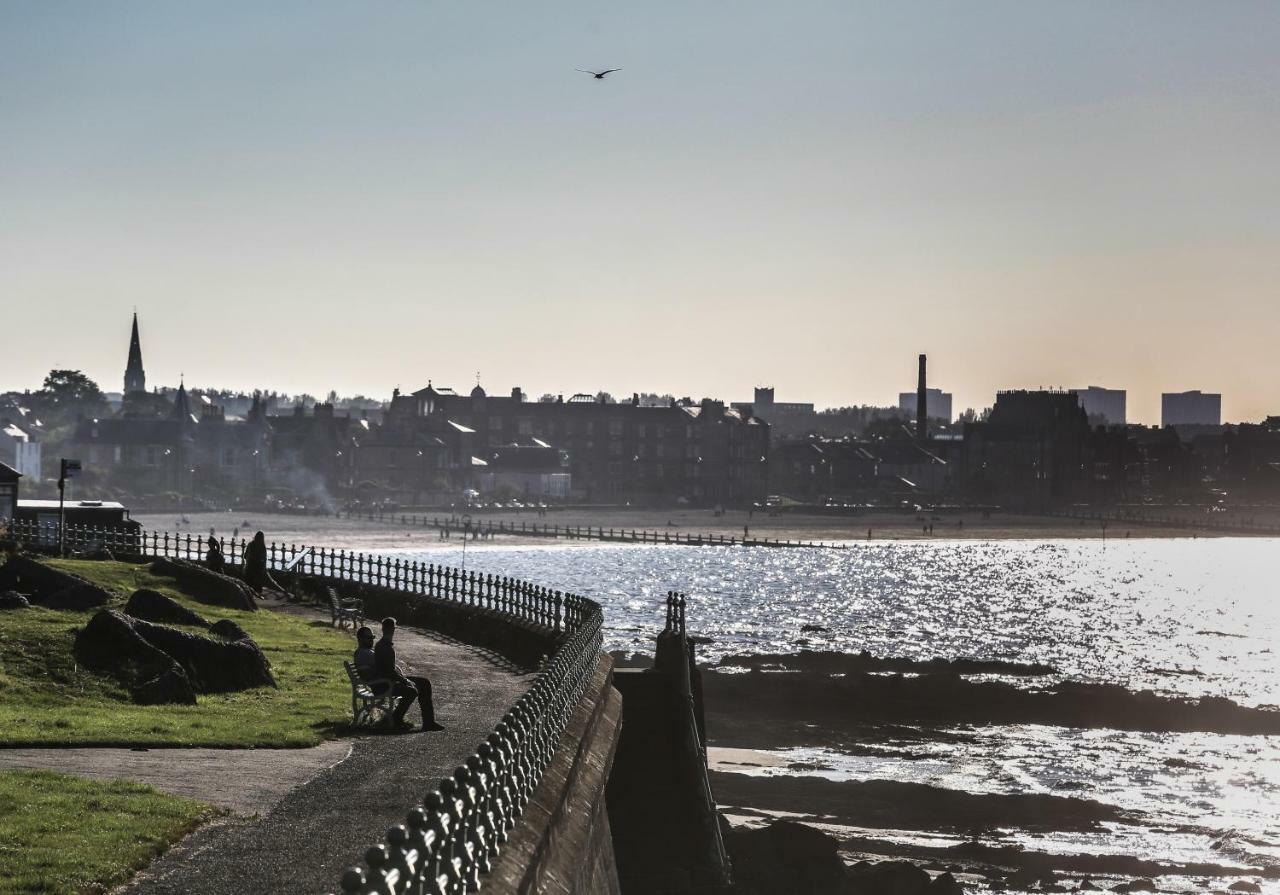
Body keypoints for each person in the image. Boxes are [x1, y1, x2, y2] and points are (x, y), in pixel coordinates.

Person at [374, 617, 443, 732]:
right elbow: (389, 672)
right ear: (393, 630)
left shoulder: (382, 645)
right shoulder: (385, 647)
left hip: (388, 679)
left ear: (383, 629)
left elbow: (389, 671)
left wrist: (403, 679)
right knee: (413, 690)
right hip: (386, 683)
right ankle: (398, 718)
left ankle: (428, 722)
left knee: (424, 683)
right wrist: (405, 680)